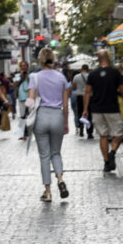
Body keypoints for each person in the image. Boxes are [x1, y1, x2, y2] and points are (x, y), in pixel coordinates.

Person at [29, 47, 71, 202]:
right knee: (56, 153)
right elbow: (66, 106)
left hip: (41, 116)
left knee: (44, 156)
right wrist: (65, 123)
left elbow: (30, 100)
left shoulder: (35, 77)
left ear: (40, 60)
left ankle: (47, 191)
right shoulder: (61, 78)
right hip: (58, 116)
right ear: (53, 59)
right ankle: (60, 180)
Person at [82, 50, 123, 172]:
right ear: (108, 57)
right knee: (118, 134)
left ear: (98, 59)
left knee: (103, 135)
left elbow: (87, 92)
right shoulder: (115, 73)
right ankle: (112, 152)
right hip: (112, 108)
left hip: (97, 109)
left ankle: (106, 162)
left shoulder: (92, 74)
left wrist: (85, 109)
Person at [14, 60, 33, 141]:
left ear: (27, 66)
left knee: (30, 115)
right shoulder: (18, 75)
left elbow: (32, 83)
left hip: (29, 97)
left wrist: (27, 76)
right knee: (22, 116)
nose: (23, 67)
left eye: (25, 65)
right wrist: (21, 76)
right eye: (22, 65)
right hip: (21, 98)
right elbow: (15, 85)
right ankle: (22, 134)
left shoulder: (31, 75)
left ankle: (30, 132)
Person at [71, 64, 90, 137]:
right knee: (89, 113)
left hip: (79, 96)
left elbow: (73, 88)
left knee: (80, 113)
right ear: (87, 69)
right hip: (89, 96)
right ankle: (89, 132)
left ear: (81, 69)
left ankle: (81, 130)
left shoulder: (76, 76)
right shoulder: (90, 76)